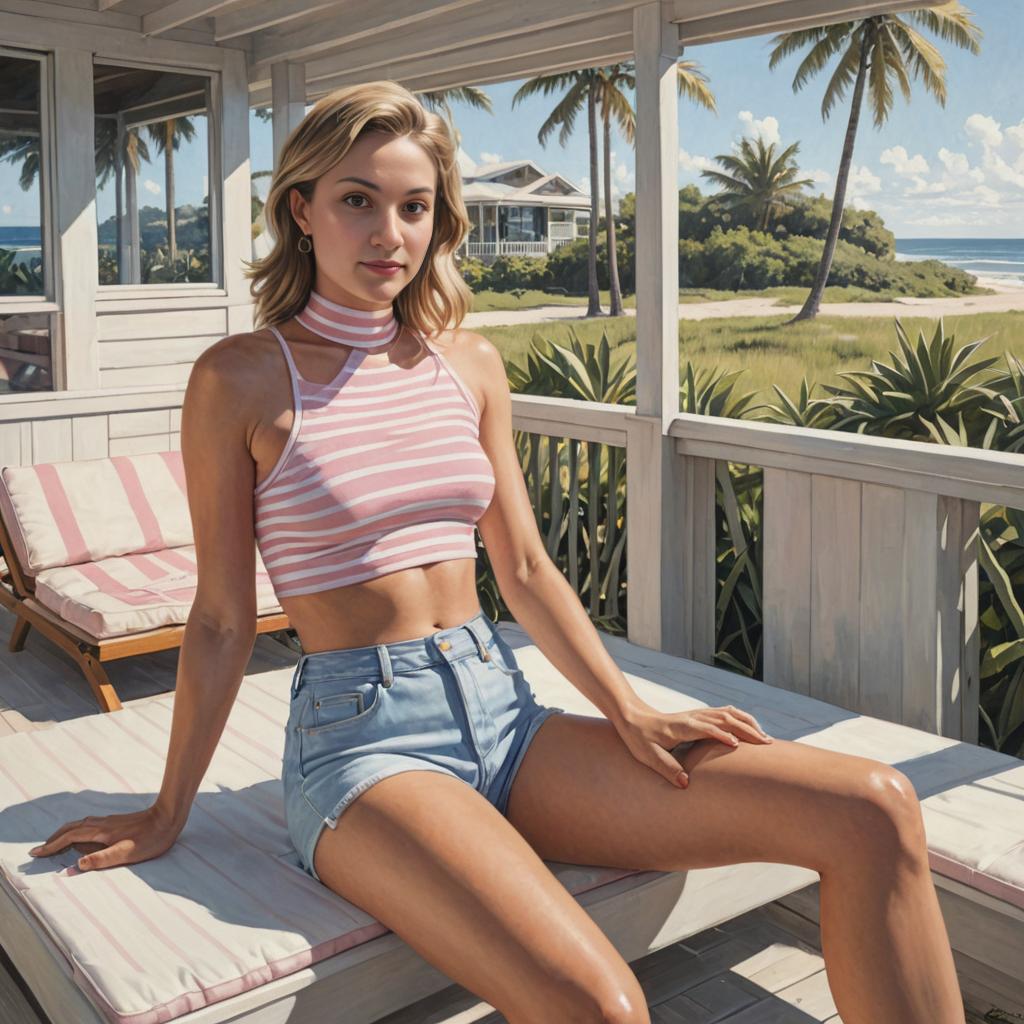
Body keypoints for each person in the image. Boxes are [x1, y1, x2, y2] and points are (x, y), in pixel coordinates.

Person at [29, 81, 965, 1024]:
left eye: (415, 205)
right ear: (302, 210)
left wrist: (628, 709)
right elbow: (226, 617)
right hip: (366, 748)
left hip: (506, 716)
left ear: (440, 221)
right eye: (357, 199)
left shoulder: (466, 364)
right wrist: (167, 809)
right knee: (603, 1008)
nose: (388, 231)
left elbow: (520, 568)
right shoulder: (239, 377)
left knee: (876, 806)